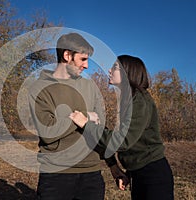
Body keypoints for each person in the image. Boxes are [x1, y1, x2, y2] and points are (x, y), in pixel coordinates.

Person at [28, 32, 123, 200]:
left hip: (91, 175)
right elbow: (48, 132)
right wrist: (83, 118)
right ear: (67, 55)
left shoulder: (90, 87)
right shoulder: (39, 88)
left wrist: (113, 166)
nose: (86, 66)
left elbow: (99, 132)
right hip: (55, 175)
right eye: (83, 59)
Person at [69, 55, 174, 200]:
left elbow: (122, 141)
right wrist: (126, 172)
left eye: (115, 67)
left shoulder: (140, 101)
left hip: (153, 175)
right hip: (138, 172)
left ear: (127, 73)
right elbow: (131, 141)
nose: (109, 70)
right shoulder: (128, 100)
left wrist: (86, 124)